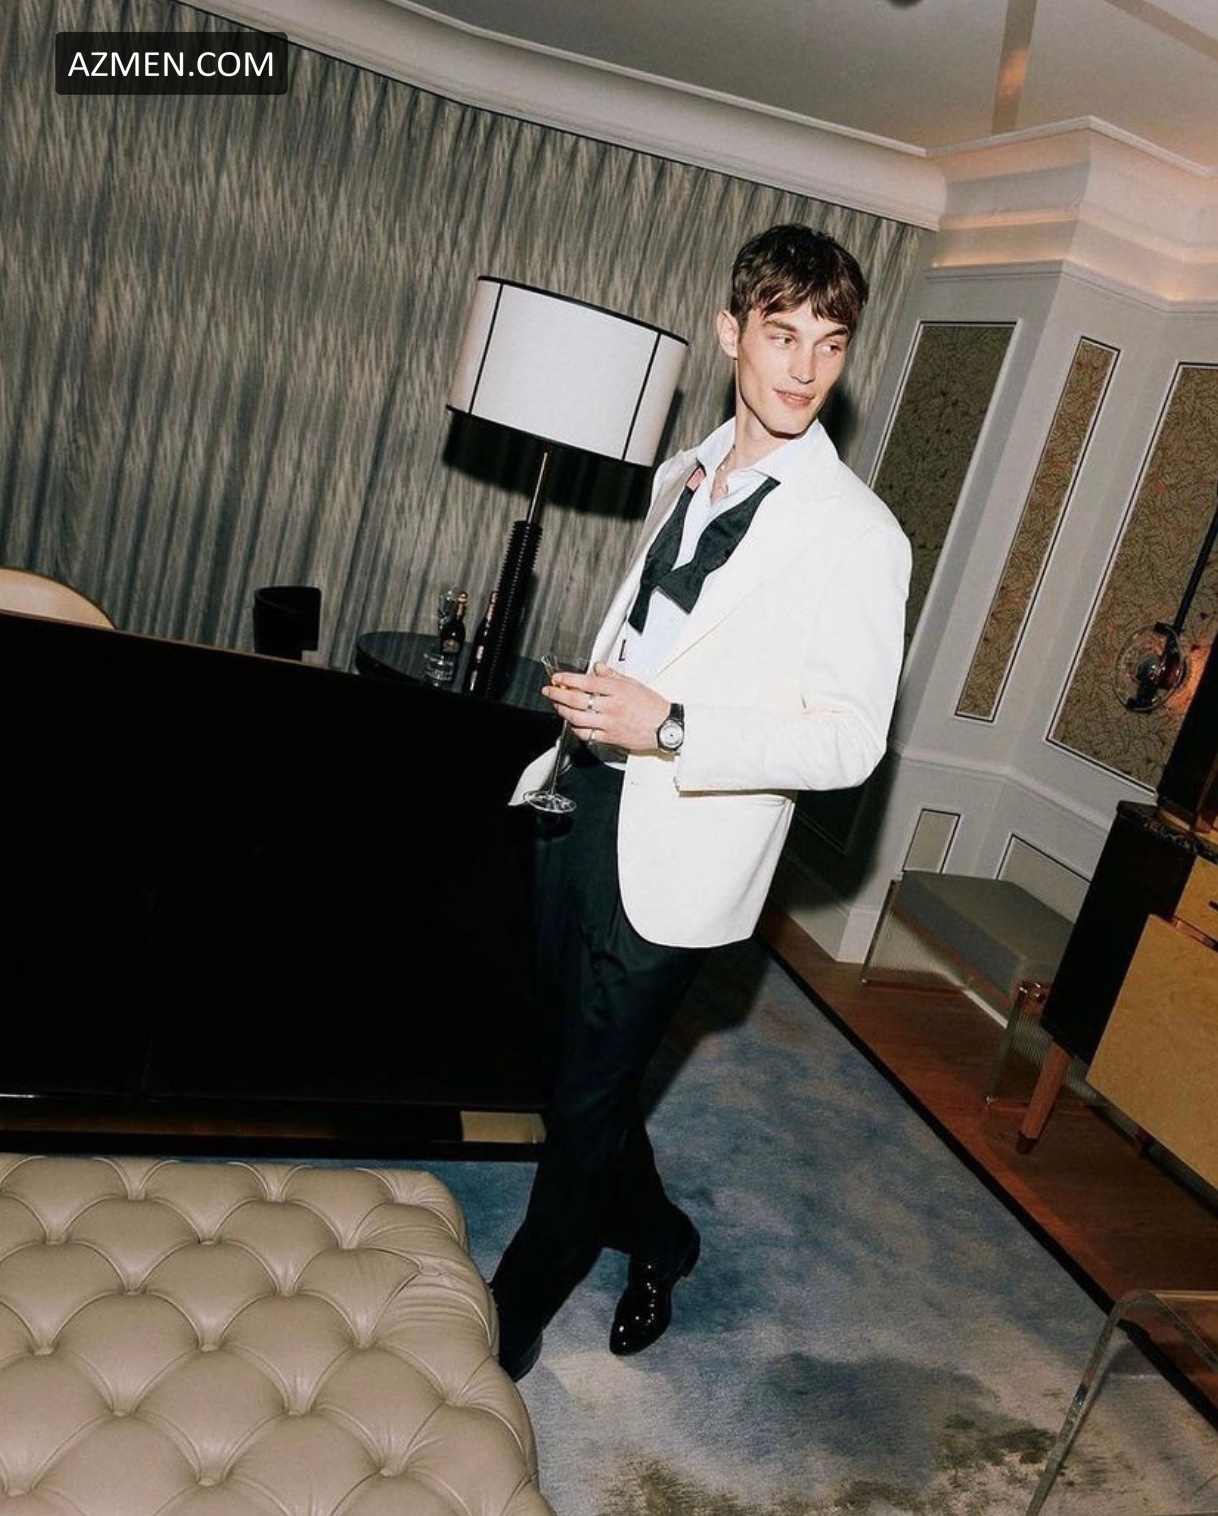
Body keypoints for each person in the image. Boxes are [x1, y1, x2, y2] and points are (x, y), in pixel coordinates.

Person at [490, 222, 912, 1381]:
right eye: (782, 336)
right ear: (732, 332)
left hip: (686, 841)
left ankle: (504, 1325)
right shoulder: (684, 467)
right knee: (573, 1075)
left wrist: (671, 727)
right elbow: (655, 632)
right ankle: (664, 1236)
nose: (805, 369)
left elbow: (851, 742)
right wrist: (593, 711)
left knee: (584, 1095)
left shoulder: (860, 535)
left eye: (830, 343)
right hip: (584, 798)